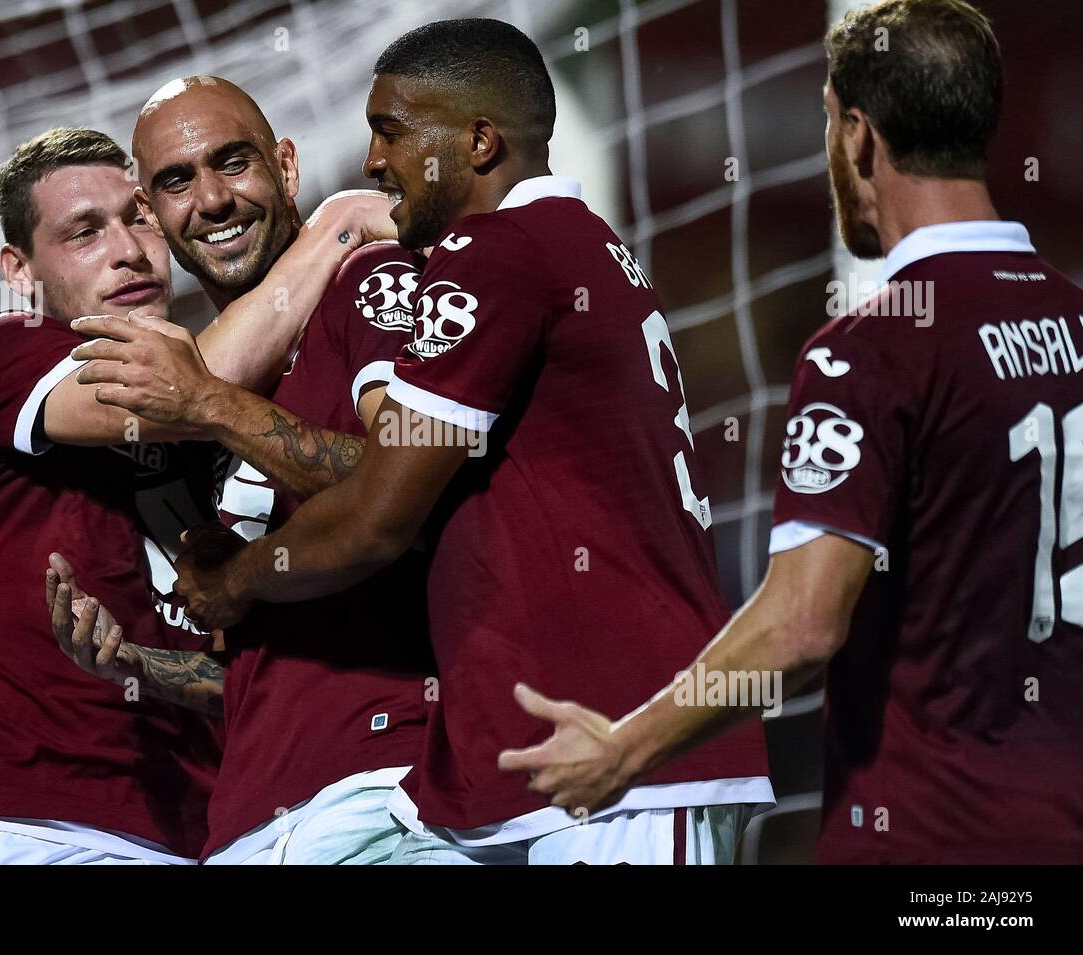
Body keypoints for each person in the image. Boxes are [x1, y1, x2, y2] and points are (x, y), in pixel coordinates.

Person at [122, 21, 771, 865]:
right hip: (556, 762)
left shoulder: (483, 253)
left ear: (477, 140)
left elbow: (384, 509)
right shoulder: (575, 247)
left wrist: (234, 569)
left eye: (391, 132)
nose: (369, 163)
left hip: (617, 744)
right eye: (175, 180)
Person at [499, 0, 1083, 864]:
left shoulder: (868, 352)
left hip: (931, 847)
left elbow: (804, 626)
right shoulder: (1073, 320)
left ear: (856, 134)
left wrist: (626, 746)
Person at [0, 125, 387, 863]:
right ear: (19, 270)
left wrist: (137, 666)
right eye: (83, 232)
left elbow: (232, 678)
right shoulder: (0, 357)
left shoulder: (226, 429)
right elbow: (179, 392)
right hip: (28, 826)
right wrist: (336, 225)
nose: (127, 248)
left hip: (194, 833)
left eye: (137, 215)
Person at [61, 76, 435, 864]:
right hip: (252, 822)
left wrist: (212, 406)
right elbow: (257, 666)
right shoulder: (199, 389)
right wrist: (142, 664)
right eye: (176, 182)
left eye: (233, 163)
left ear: (288, 168)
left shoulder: (372, 282)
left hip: (393, 789)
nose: (212, 200)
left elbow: (412, 494)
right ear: (156, 217)